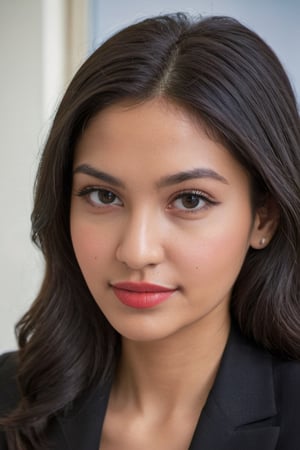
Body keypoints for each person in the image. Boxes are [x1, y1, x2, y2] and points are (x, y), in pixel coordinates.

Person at [0, 12, 300, 450]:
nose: (137, 251)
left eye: (190, 200)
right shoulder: (9, 397)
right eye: (103, 195)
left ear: (264, 217)